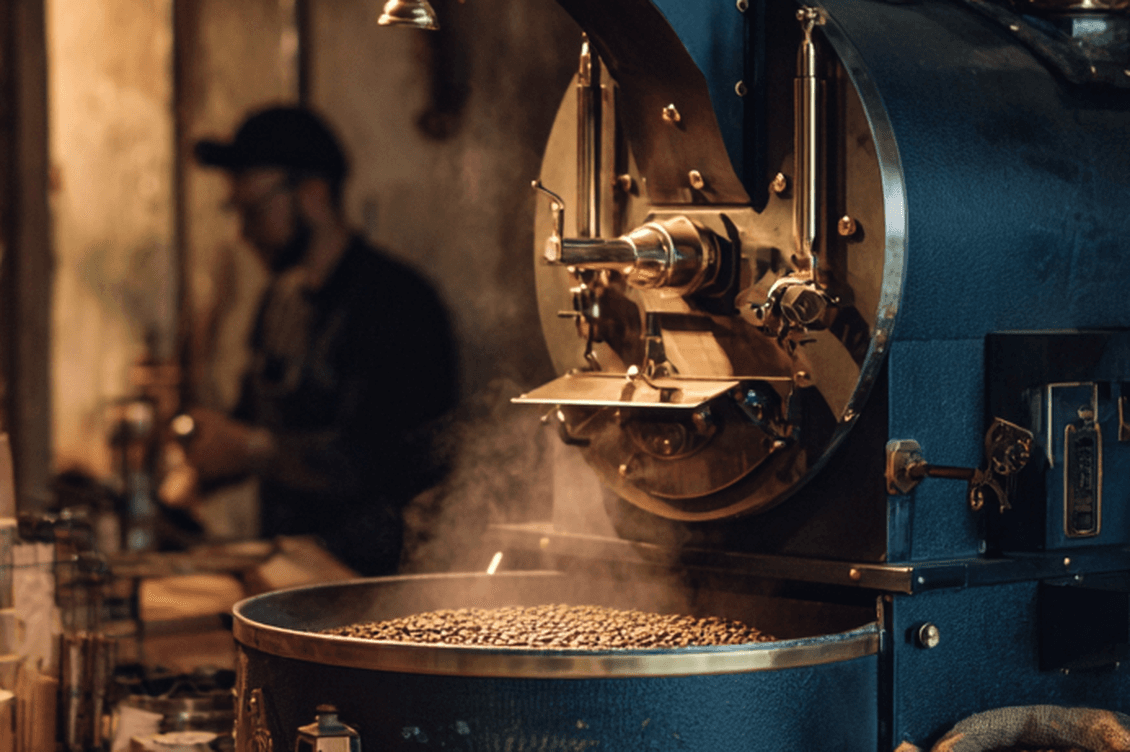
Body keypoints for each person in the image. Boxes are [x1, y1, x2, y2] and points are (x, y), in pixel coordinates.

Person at [170, 105, 458, 576]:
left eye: (254, 210)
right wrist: (203, 456)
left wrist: (251, 449)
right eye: (235, 212)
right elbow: (250, 417)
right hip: (284, 577)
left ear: (314, 193)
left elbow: (385, 461)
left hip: (370, 589)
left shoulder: (397, 303)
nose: (242, 232)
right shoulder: (280, 300)